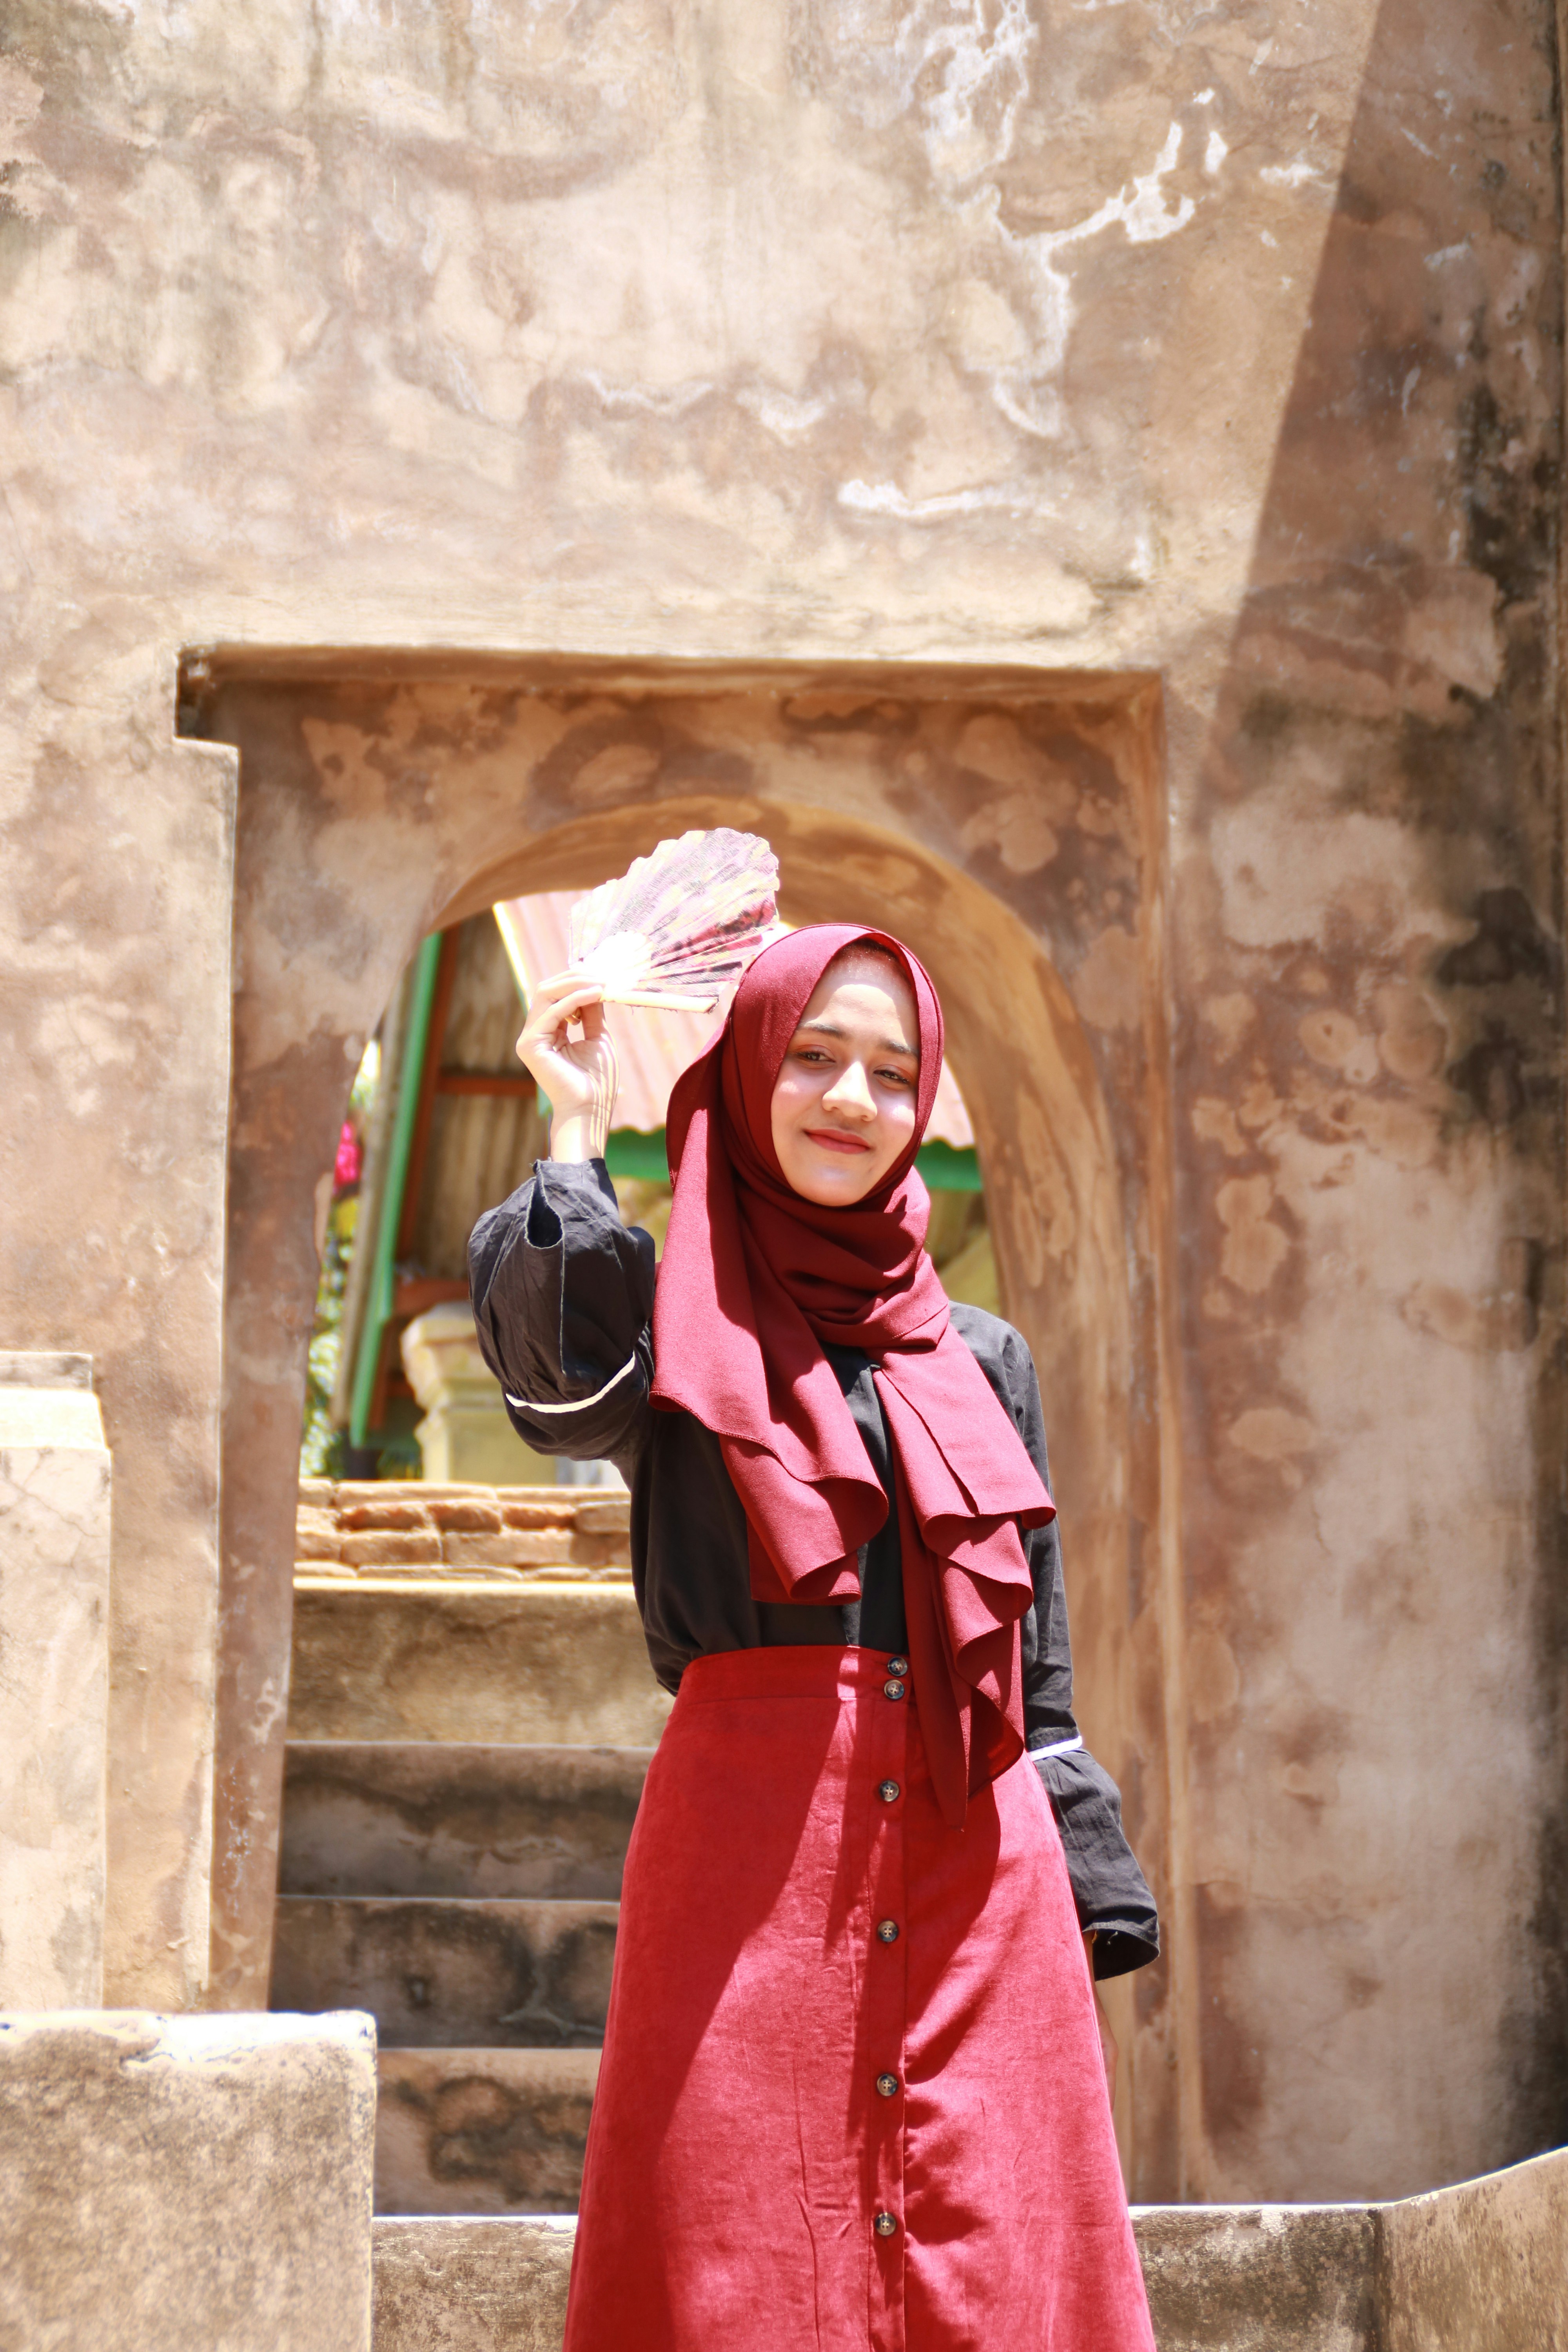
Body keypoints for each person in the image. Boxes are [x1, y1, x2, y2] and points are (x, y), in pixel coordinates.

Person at [469, 923, 1160, 2352]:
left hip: (978, 1855)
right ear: (746, 1074)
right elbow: (561, 1387)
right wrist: (576, 1125)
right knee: (731, 2256)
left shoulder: (984, 1357)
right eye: (816, 1057)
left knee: (996, 2272)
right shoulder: (672, 1320)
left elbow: (1034, 1667)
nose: (854, 1097)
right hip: (747, 1864)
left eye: (894, 1073)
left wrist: (1085, 1885)